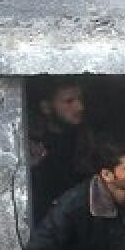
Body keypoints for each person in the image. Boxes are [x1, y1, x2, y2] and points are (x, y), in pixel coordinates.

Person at [28, 78, 89, 223]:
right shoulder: (36, 149)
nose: (80, 107)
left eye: (80, 99)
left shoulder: (89, 142)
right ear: (46, 107)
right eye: (69, 101)